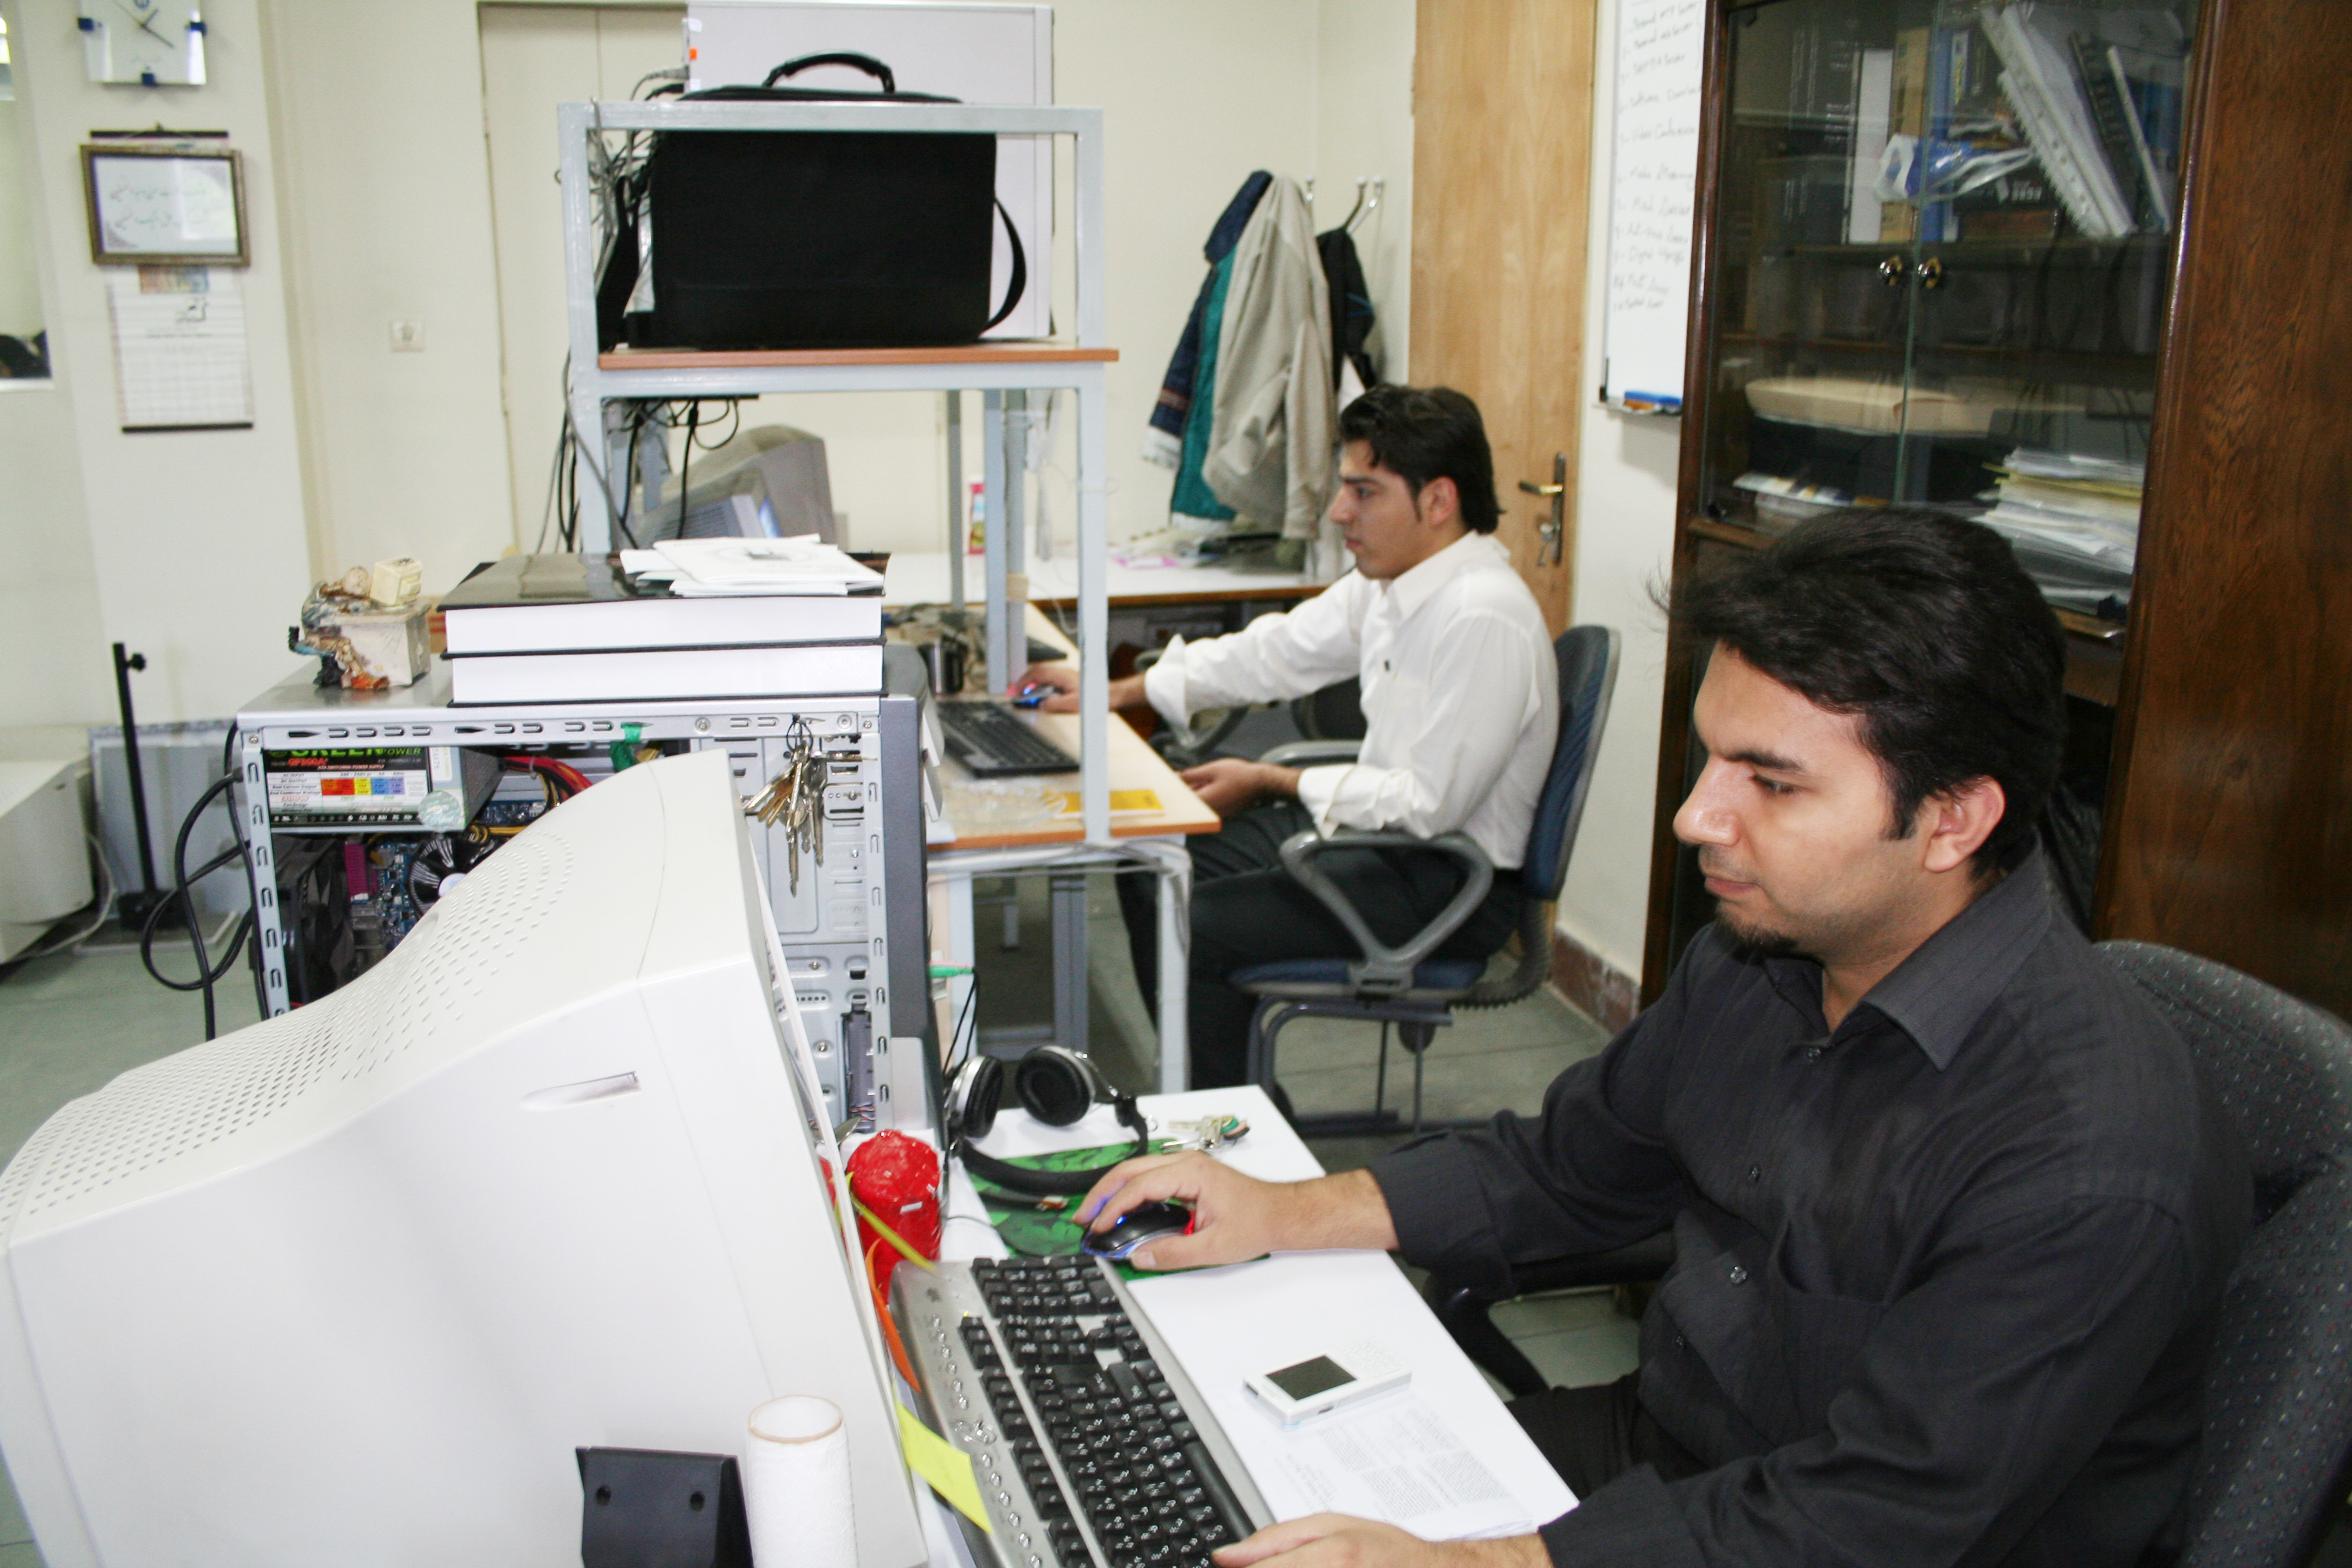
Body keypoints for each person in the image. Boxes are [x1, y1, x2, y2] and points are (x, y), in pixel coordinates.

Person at [1075, 510, 2252, 1568]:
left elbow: (1877, 1517)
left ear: (1952, 820)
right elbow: (1566, 1168)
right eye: (1708, 757)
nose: (1696, 816)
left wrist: (1481, 1564)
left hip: (1840, 1533)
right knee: (1215, 1488)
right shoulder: (1761, 960)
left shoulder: (2087, 1161)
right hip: (1671, 1461)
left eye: (1771, 784)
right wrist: (1283, 1209)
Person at [1022, 385, 1556, 1091]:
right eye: (1344, 488)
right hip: (1383, 840)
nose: (1338, 512)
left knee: (1192, 926)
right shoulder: (1396, 583)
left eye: (1363, 492)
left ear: (1437, 502)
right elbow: (1276, 652)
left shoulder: (1481, 615)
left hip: (1445, 879)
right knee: (1152, 860)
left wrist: (1274, 781)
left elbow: (1429, 805)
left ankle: (1234, 1124)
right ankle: (1208, 1083)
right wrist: (1119, 690)